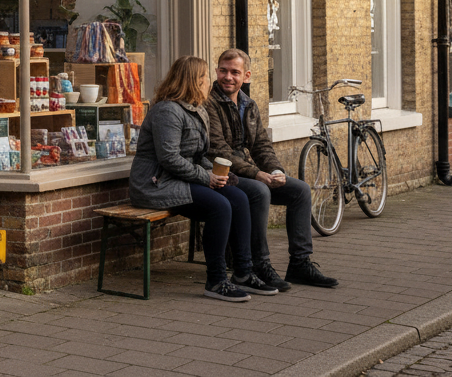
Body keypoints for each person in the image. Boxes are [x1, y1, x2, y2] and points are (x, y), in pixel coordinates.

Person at [129, 55, 277, 301]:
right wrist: (206, 177)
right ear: (192, 80)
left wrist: (219, 175)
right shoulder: (167, 111)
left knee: (238, 198)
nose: (209, 81)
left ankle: (243, 272)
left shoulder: (197, 108)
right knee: (219, 206)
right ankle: (216, 280)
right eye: (205, 76)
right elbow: (169, 159)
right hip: (156, 184)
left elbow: (200, 155)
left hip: (182, 179)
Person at [206, 49, 338, 290]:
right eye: (223, 71)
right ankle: (258, 264)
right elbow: (219, 151)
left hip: (250, 173)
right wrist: (257, 174)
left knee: (300, 190)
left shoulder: (249, 104)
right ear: (216, 71)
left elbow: (262, 146)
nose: (228, 77)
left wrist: (276, 171)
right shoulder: (209, 103)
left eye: (235, 72)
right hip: (224, 176)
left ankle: (299, 263)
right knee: (260, 191)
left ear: (246, 76)